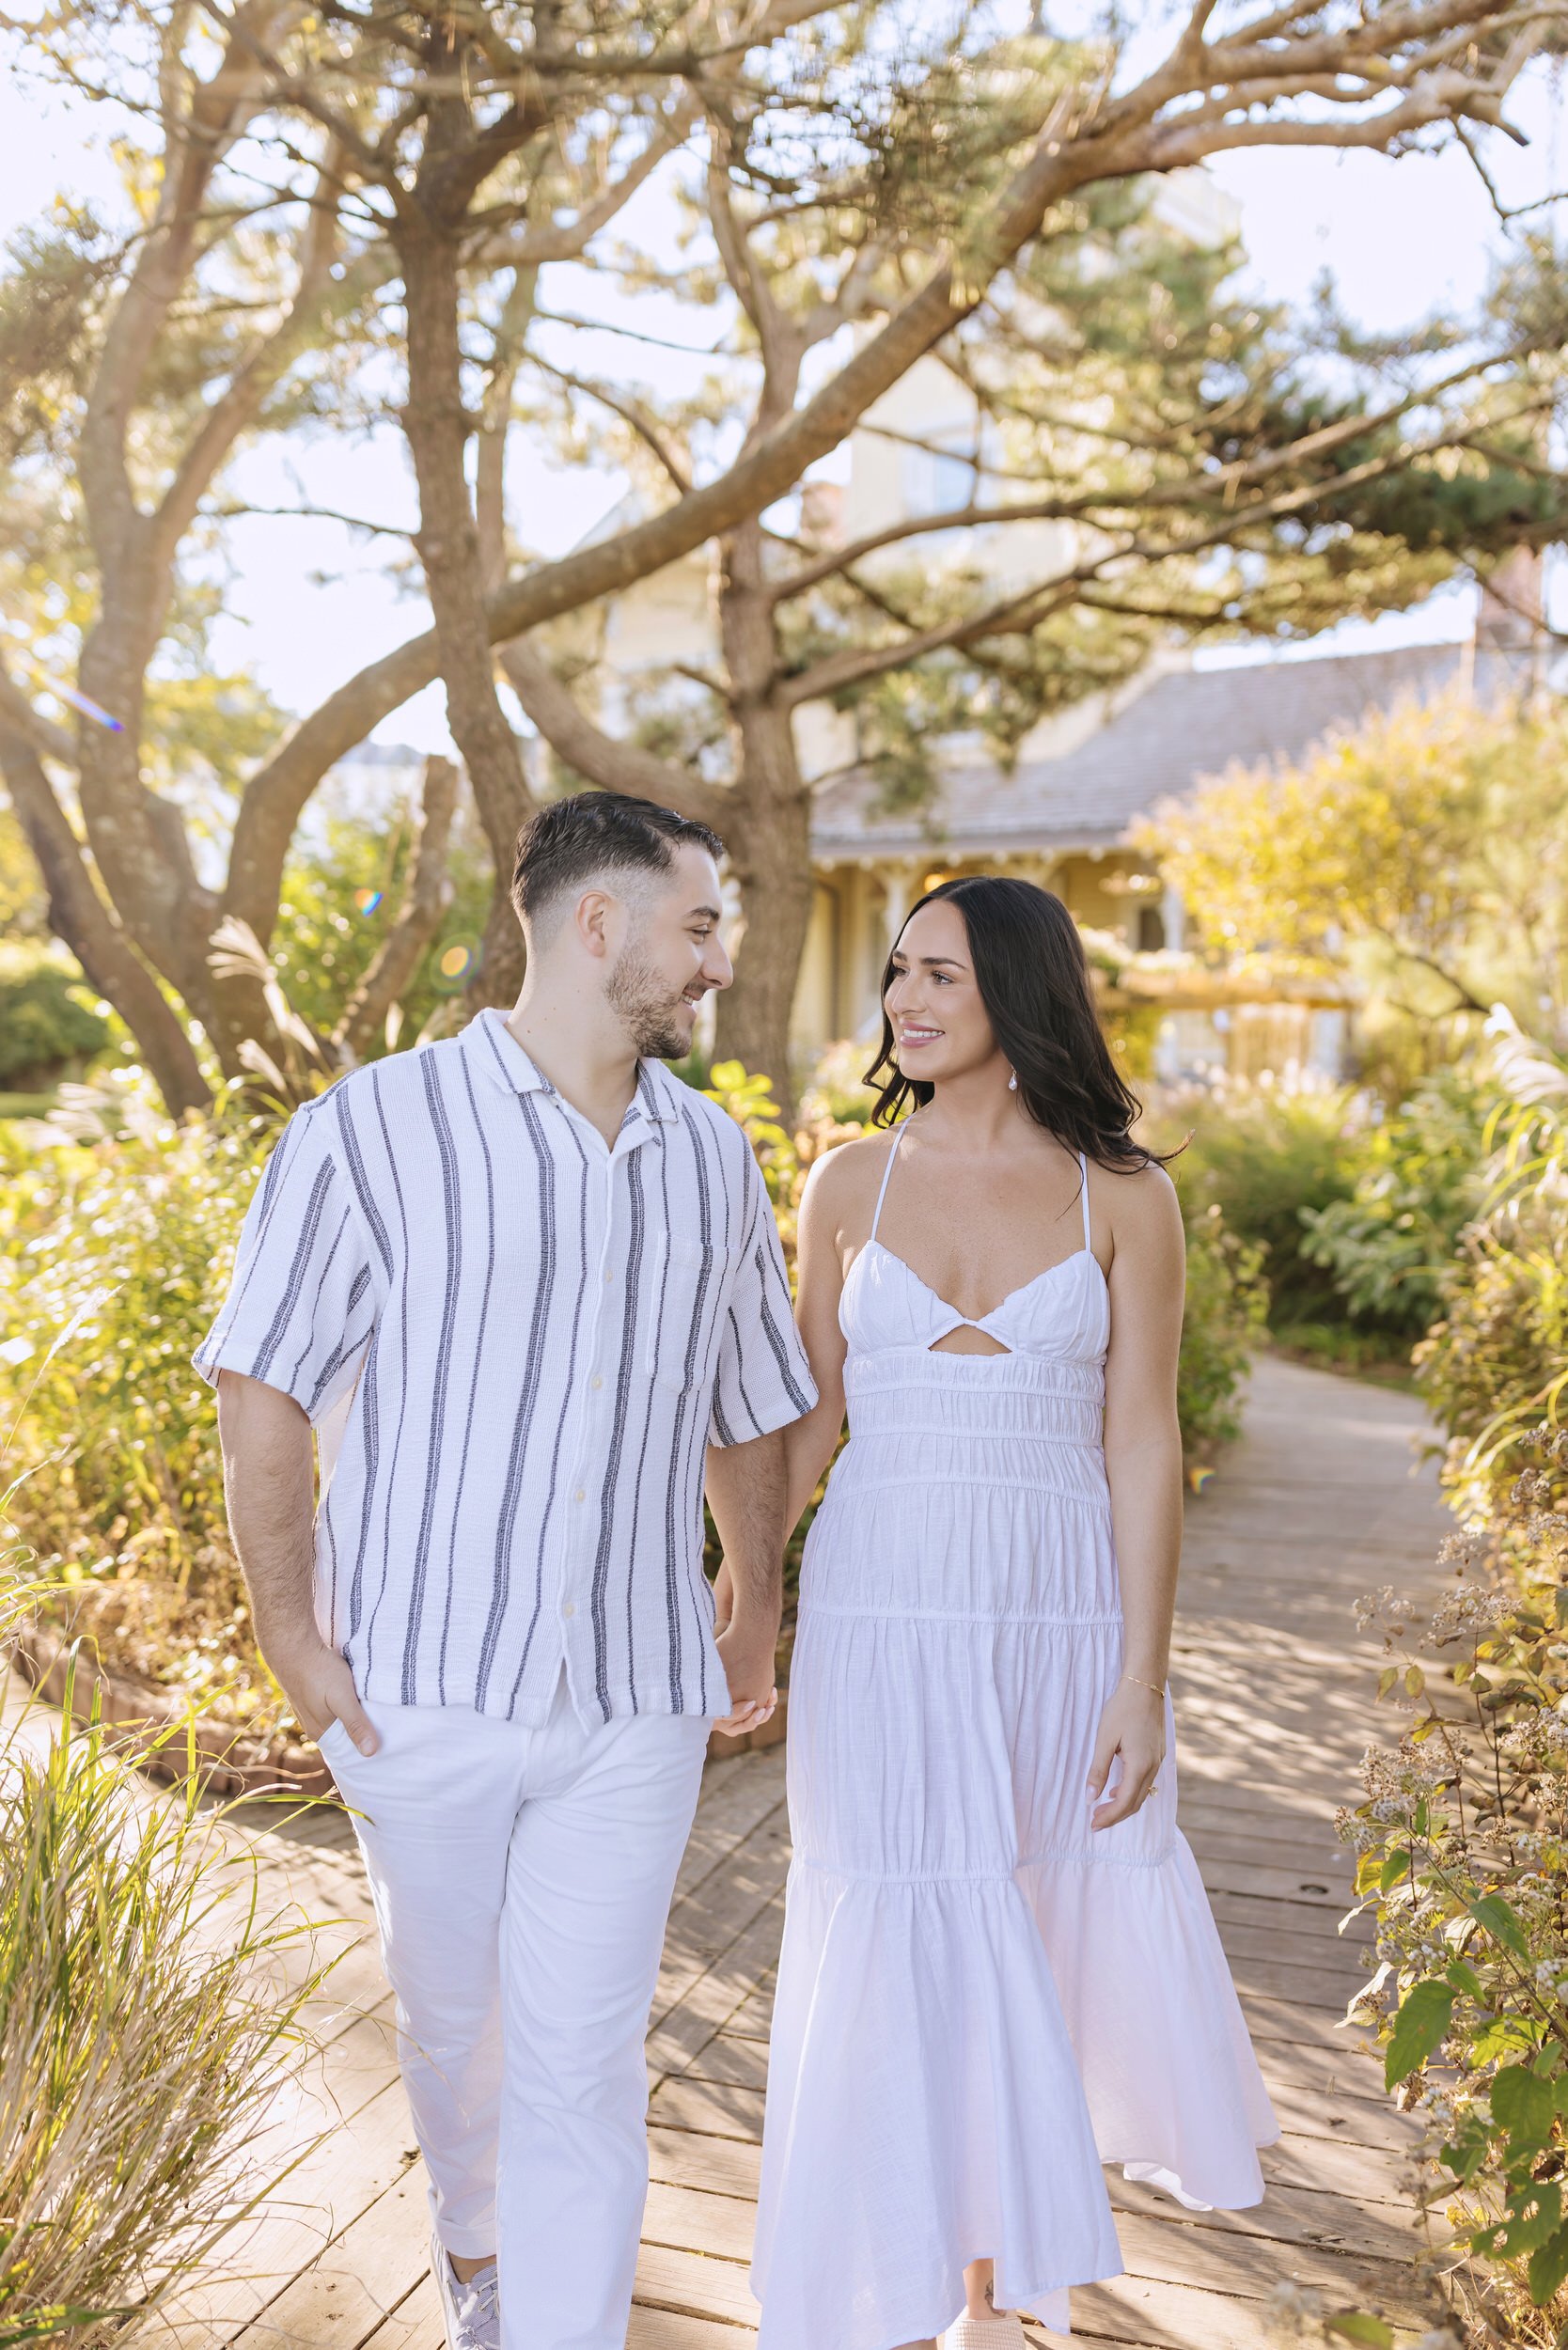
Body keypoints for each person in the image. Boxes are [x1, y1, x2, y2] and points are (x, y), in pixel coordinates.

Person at [195, 792, 816, 2350]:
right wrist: (293, 1641)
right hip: (416, 1688)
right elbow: (262, 1385)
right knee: (453, 2029)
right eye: (697, 926)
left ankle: (551, 2324)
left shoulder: (711, 1159)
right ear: (597, 925)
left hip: (633, 1701)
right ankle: (472, 2251)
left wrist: (752, 1604)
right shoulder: (372, 1127)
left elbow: (751, 1407)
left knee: (584, 2059)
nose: (717, 963)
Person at [745, 876, 1278, 2350]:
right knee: (890, 1900)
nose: (907, 1002)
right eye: (900, 974)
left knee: (1027, 1918)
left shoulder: (1127, 1194)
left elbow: (1142, 1443)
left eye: (943, 981)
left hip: (1058, 1611)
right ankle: (895, 2283)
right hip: (879, 1606)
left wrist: (1142, 1682)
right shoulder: (851, 1183)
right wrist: (742, 1598)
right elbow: (807, 1426)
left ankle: (989, 2290)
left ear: (1023, 1000)